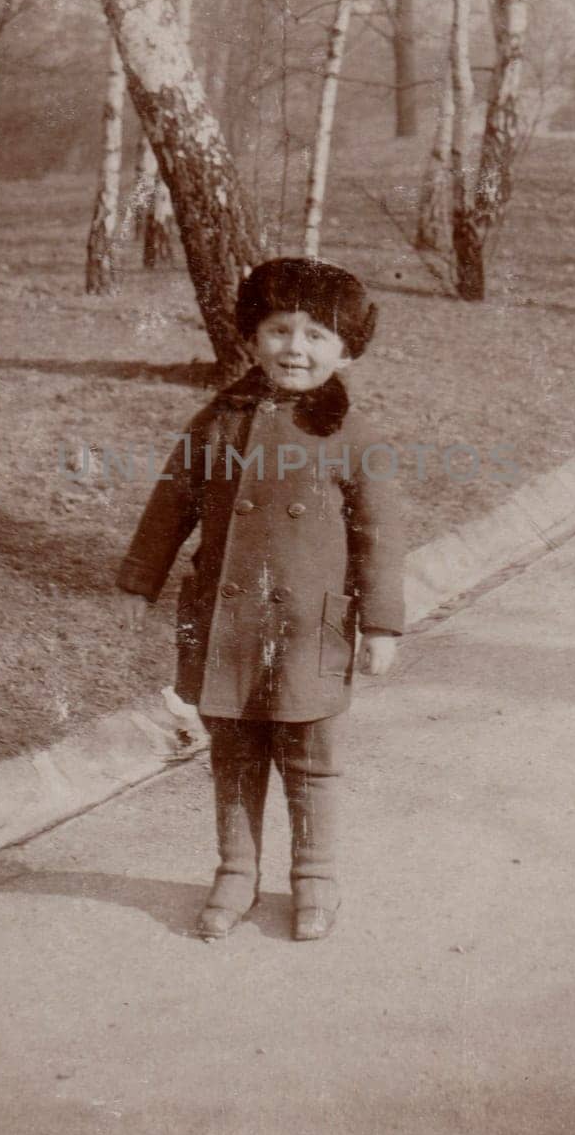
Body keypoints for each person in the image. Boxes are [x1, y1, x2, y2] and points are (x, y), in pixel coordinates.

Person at [115, 257, 406, 942]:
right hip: (229, 626)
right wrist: (140, 581)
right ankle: (236, 874)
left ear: (346, 349)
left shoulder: (355, 437)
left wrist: (383, 626)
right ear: (251, 337)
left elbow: (381, 537)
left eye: (316, 335)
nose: (295, 349)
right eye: (279, 330)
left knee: (311, 756)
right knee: (235, 754)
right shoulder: (218, 421)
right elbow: (171, 503)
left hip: (311, 629)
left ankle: (314, 878)